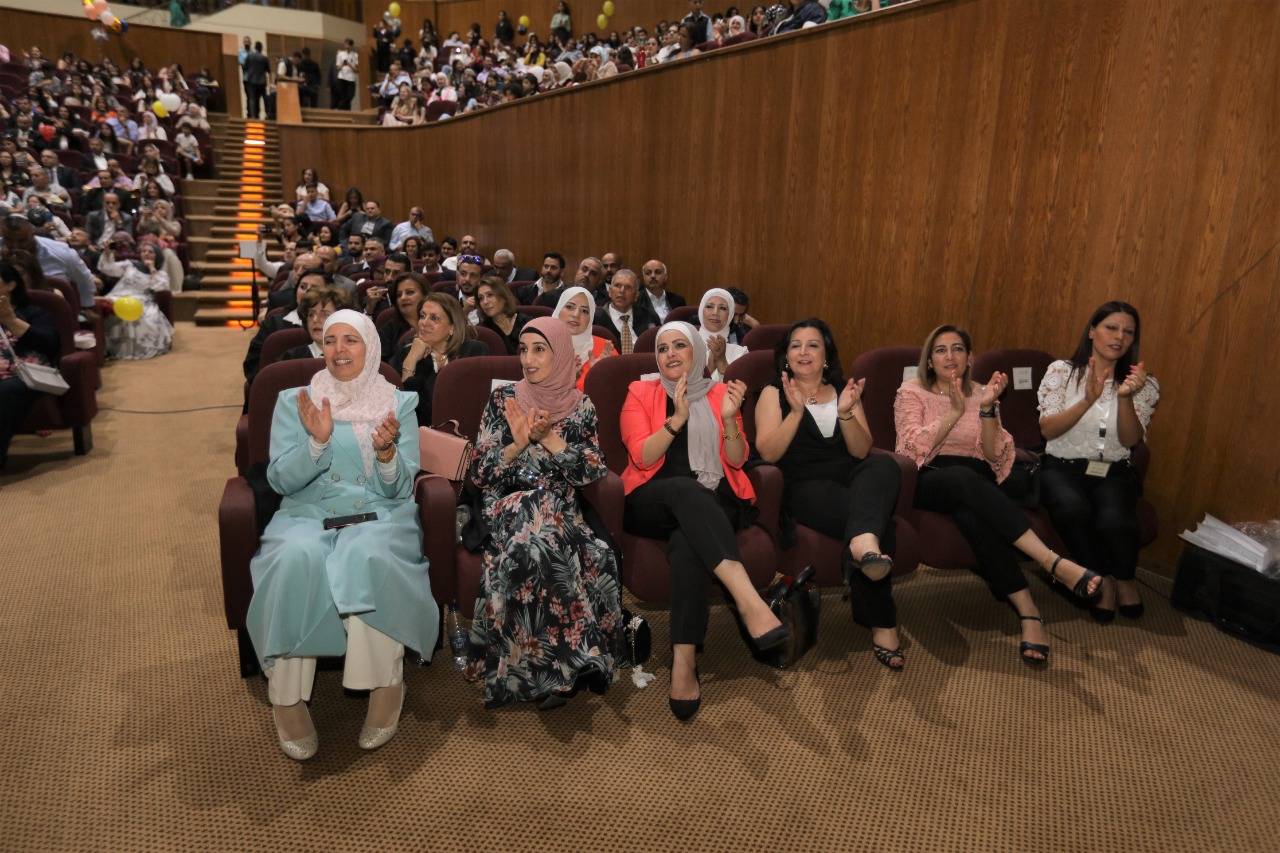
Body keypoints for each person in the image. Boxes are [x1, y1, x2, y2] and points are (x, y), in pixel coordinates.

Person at [246, 310, 439, 760]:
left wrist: (386, 453)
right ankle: (287, 697)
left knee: (367, 556)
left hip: (378, 513)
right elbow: (279, 480)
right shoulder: (296, 401)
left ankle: (386, 685)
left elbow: (399, 488)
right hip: (308, 512)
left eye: (351, 339)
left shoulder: (399, 403)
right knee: (293, 558)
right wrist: (316, 443)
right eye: (331, 340)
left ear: (370, 347)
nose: (339, 350)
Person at [894, 325, 1103, 665]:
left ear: (969, 357)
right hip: (929, 477)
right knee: (962, 480)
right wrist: (954, 412)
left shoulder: (983, 392)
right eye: (941, 350)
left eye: (958, 349)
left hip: (975, 481)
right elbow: (911, 449)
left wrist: (988, 407)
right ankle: (1051, 562)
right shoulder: (912, 391)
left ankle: (1029, 612)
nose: (950, 356)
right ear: (929, 361)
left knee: (973, 518)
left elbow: (992, 455)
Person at [621, 322, 787, 719]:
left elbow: (737, 460)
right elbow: (642, 456)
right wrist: (676, 419)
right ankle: (748, 599)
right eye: (663, 348)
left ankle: (684, 661)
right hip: (652, 499)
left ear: (696, 351)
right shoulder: (639, 392)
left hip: (713, 502)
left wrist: (729, 419)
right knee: (686, 489)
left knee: (687, 543)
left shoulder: (719, 393)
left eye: (680, 345)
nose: (671, 354)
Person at [466, 316, 621, 708]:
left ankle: (548, 672)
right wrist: (516, 445)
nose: (528, 359)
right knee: (536, 509)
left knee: (536, 543)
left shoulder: (581, 406)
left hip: (559, 511)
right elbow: (479, 473)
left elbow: (591, 470)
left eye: (539, 350)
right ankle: (577, 658)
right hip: (507, 505)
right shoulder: (503, 400)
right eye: (523, 349)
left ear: (562, 354)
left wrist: (550, 439)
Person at [754, 319, 905, 668]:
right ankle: (882, 621)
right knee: (878, 525)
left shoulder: (842, 389)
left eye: (813, 345)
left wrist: (846, 412)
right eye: (795, 345)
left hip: (850, 476)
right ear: (785, 355)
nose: (803, 352)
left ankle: (862, 544)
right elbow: (769, 453)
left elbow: (861, 450)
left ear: (826, 355)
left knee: (885, 466)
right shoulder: (772, 393)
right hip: (803, 485)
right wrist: (795, 413)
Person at [1037, 302, 1159, 622]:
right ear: (1092, 331)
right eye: (1111, 328)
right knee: (1072, 509)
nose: (1119, 337)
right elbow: (1048, 430)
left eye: (1128, 332)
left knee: (1114, 520)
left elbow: (1130, 440)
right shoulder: (1062, 372)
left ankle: (1126, 579)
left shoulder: (1142, 383)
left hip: (1114, 471)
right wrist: (1088, 400)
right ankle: (1103, 579)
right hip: (1062, 466)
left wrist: (1125, 397)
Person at [392, 292, 488, 429]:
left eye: (434, 318)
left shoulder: (473, 352)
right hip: (422, 433)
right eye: (422, 316)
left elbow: (476, 405)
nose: (424, 323)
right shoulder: (405, 355)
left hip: (467, 430)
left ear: (452, 327)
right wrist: (410, 362)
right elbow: (406, 414)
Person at [0, 258, 60, 468]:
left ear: (11, 284)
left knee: (5, 390)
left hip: (24, 375)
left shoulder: (34, 312)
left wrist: (10, 321)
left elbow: (50, 344)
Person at [98, 242, 172, 360]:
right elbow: (107, 268)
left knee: (148, 317)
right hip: (120, 295)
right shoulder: (130, 265)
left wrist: (152, 269)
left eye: (150, 252)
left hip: (142, 299)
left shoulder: (161, 274)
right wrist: (107, 254)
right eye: (143, 251)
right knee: (109, 306)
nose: (146, 253)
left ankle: (130, 350)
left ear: (157, 255)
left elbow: (160, 288)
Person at [554, 285, 616, 391]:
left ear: (591, 318)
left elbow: (615, 394)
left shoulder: (606, 350)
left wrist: (599, 375)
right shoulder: (539, 346)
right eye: (569, 307)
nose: (576, 315)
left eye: (584, 311)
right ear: (558, 309)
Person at [280, 285, 350, 361]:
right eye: (311, 315)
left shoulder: (354, 355)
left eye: (324, 314)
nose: (315, 319)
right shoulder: (293, 358)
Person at [596, 268, 657, 354]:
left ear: (636, 295)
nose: (622, 291)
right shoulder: (596, 318)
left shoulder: (648, 316)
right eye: (617, 285)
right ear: (610, 291)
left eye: (628, 287)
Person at [697, 287, 747, 381]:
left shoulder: (740, 353)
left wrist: (722, 362)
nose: (715, 313)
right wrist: (709, 369)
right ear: (701, 310)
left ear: (730, 314)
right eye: (709, 306)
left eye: (723, 308)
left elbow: (740, 388)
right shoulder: (683, 345)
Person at [377, 272, 428, 361]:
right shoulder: (388, 330)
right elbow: (383, 365)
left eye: (410, 292)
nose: (403, 298)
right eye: (399, 295)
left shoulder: (439, 323)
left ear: (425, 295)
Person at [476, 276, 528, 355]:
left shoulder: (526, 323)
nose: (485, 302)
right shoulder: (481, 331)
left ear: (504, 297)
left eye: (490, 295)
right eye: (481, 298)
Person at [243, 42, 270, 119]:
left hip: (251, 81)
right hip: (262, 81)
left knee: (252, 99)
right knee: (264, 99)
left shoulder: (249, 56)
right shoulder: (264, 58)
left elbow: (245, 67)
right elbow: (268, 70)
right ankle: (267, 114)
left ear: (255, 47)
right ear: (261, 48)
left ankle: (253, 116)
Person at [333, 39, 359, 110]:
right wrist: (343, 64)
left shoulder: (355, 55)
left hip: (351, 78)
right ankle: (345, 111)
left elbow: (357, 70)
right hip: (341, 78)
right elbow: (337, 68)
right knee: (343, 96)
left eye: (349, 45)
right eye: (346, 44)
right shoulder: (340, 54)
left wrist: (349, 64)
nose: (347, 46)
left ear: (352, 46)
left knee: (351, 96)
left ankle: (338, 108)